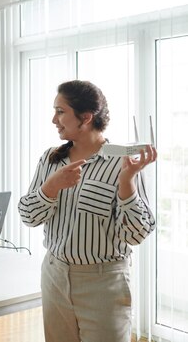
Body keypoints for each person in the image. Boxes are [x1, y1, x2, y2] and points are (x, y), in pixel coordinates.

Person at [18, 80, 156, 342]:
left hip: (104, 284)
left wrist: (127, 183)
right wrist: (51, 187)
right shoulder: (51, 159)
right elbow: (28, 215)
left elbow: (137, 234)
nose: (53, 119)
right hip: (55, 277)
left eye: (60, 112)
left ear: (86, 117)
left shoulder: (124, 163)